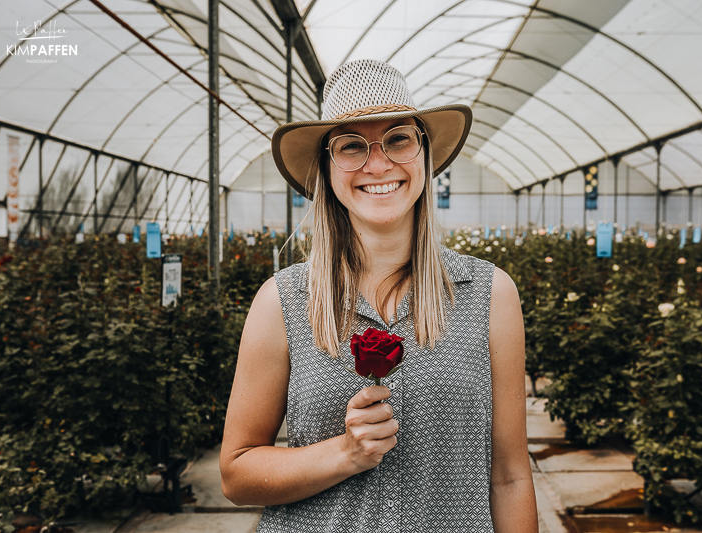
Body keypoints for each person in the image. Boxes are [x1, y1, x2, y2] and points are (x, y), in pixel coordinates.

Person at [220, 59, 538, 533]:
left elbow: (510, 476)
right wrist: (345, 453)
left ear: (424, 154)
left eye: (398, 138)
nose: (378, 164)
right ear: (327, 170)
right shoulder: (283, 301)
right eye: (351, 145)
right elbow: (236, 474)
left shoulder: (489, 295)